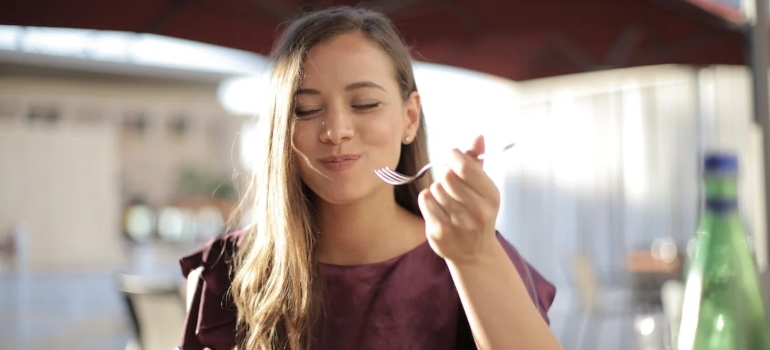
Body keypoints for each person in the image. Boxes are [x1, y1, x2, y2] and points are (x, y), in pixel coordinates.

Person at [179, 6, 560, 350]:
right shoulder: (232, 269)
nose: (336, 130)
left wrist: (474, 258)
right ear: (281, 130)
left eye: (365, 104)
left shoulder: (470, 251)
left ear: (410, 118)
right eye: (307, 110)